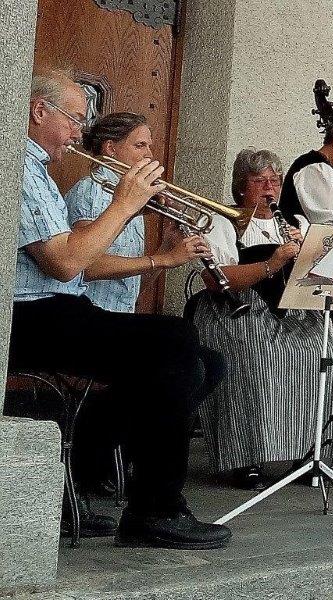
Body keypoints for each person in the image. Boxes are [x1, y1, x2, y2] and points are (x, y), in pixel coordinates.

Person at [12, 67, 231, 549]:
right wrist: (126, 205)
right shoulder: (21, 166)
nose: (78, 131)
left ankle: (99, 482)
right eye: (73, 118)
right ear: (37, 111)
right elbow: (68, 263)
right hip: (27, 314)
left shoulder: (38, 168)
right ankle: (152, 508)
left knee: (187, 360)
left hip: (52, 309)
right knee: (174, 342)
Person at [190, 147, 333, 489]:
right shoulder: (223, 221)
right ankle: (245, 459)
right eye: (259, 180)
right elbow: (217, 278)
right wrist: (271, 264)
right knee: (258, 353)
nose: (269, 188)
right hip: (237, 308)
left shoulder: (295, 222)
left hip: (289, 309)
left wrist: (308, 250)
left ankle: (311, 454)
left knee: (322, 349)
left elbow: (320, 276)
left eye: (274, 181)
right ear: (241, 187)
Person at [65, 111, 210, 312]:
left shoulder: (134, 197)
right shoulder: (92, 188)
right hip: (87, 316)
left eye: (149, 146)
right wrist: (163, 259)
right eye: (140, 145)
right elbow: (86, 266)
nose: (149, 154)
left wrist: (166, 248)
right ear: (110, 148)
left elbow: (133, 289)